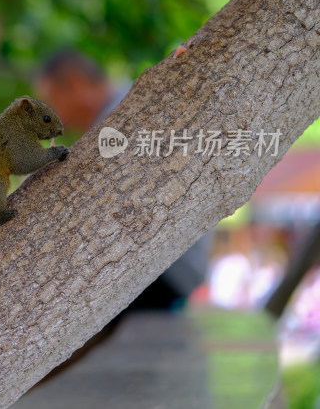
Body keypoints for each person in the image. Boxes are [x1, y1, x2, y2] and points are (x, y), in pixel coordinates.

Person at [35, 50, 208, 309]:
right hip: (166, 265)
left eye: (50, 102)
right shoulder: (116, 112)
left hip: (165, 269)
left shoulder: (121, 116)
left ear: (74, 83)